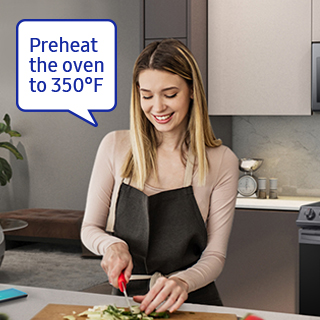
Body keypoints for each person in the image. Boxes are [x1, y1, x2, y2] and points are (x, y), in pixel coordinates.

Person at [81, 39, 239, 314]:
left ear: (191, 91)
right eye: (147, 95)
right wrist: (112, 245)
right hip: (127, 301)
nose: (157, 107)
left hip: (193, 301)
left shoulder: (222, 161)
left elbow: (215, 255)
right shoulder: (115, 147)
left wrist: (182, 281)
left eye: (169, 94)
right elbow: (89, 229)